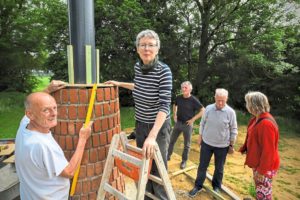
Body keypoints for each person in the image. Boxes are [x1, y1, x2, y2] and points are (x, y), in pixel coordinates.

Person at [105, 29, 172, 200]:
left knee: (157, 167)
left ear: (157, 48)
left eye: (151, 45)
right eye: (143, 45)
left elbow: (164, 106)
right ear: (137, 49)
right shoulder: (138, 67)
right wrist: (119, 83)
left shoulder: (164, 71)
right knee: (144, 165)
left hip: (157, 128)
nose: (146, 48)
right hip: (140, 125)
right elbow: (139, 86)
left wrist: (152, 136)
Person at [15, 80, 93, 199]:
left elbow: (33, 105)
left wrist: (48, 90)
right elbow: (69, 172)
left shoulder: (24, 126)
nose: (53, 114)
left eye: (55, 108)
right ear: (30, 114)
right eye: (46, 110)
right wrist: (83, 139)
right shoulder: (42, 145)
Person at [189, 88, 238, 197]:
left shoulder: (231, 112)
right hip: (206, 143)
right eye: (218, 100)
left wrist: (231, 145)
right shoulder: (208, 109)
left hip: (222, 146)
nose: (220, 103)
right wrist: (200, 137)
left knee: (219, 168)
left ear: (226, 99)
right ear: (215, 98)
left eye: (223, 100)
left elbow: (234, 129)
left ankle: (216, 187)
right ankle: (198, 186)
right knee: (202, 166)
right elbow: (202, 123)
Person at [239, 91, 280, 200]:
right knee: (260, 190)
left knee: (264, 194)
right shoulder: (256, 118)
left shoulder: (266, 124)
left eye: (247, 103)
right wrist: (244, 148)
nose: (246, 105)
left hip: (265, 166)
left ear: (254, 105)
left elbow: (268, 151)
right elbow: (251, 136)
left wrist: (262, 171)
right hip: (259, 163)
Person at [167, 81, 205, 169]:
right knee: (171, 140)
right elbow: (174, 104)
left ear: (190, 89)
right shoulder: (179, 98)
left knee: (187, 145)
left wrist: (193, 119)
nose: (183, 89)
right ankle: (168, 156)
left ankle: (184, 161)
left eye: (185, 88)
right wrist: (175, 114)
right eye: (182, 87)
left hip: (188, 125)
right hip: (178, 123)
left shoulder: (193, 100)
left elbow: (203, 110)